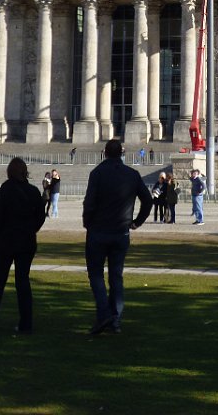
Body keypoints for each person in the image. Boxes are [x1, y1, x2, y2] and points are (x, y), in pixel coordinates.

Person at [82, 138, 152, 335]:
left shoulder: (97, 173)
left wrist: (87, 222)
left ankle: (104, 314)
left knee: (96, 274)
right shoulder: (132, 174)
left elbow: (89, 203)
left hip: (98, 231)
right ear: (122, 153)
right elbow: (147, 200)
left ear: (105, 152)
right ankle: (115, 320)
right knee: (116, 276)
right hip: (121, 232)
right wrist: (137, 221)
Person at [0, 158, 46, 334]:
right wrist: (31, 231)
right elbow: (40, 216)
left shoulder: (5, 190)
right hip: (26, 242)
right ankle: (26, 323)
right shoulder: (33, 191)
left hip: (6, 242)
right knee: (23, 282)